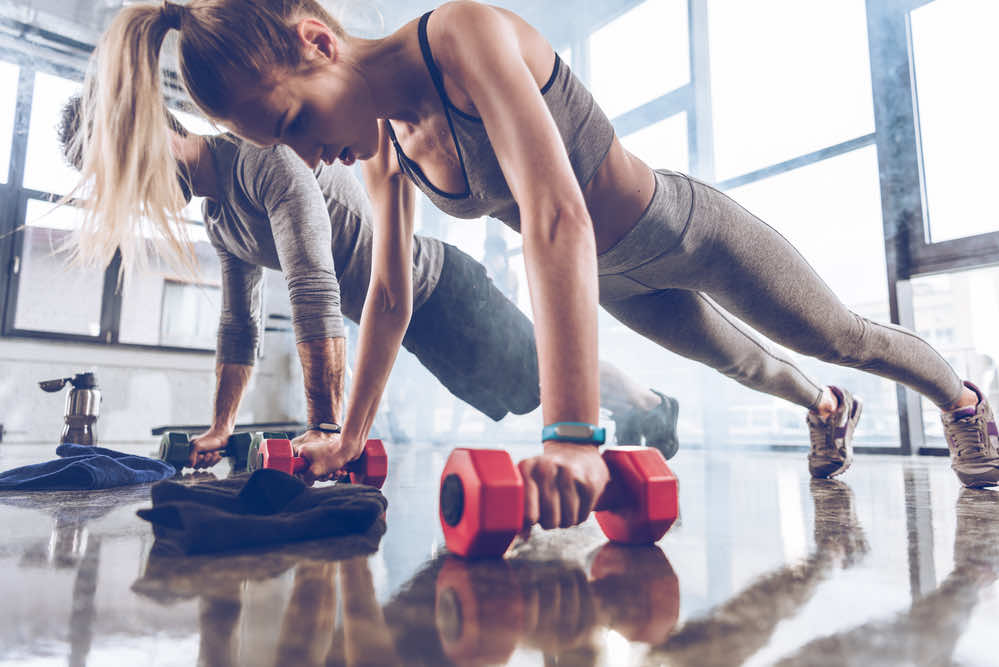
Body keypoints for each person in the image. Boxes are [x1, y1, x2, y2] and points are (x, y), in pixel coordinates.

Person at [76, 1, 998, 530]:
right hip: (620, 281)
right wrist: (348, 436)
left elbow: (554, 214)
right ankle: (826, 414)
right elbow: (389, 297)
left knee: (836, 333)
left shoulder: (461, 35)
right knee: (749, 365)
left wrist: (569, 432)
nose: (308, 156)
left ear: (317, 40)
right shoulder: (387, 142)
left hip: (682, 227)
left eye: (293, 124)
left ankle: (964, 404)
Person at [59, 94, 678, 470]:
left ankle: (653, 405)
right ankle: (642, 405)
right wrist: (221, 426)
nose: (133, 192)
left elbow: (314, 286)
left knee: (544, 375)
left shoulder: (261, 156)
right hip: (402, 315)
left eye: (124, 170)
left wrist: (328, 428)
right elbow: (238, 325)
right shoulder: (219, 216)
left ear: (153, 132)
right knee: (533, 387)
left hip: (441, 292)